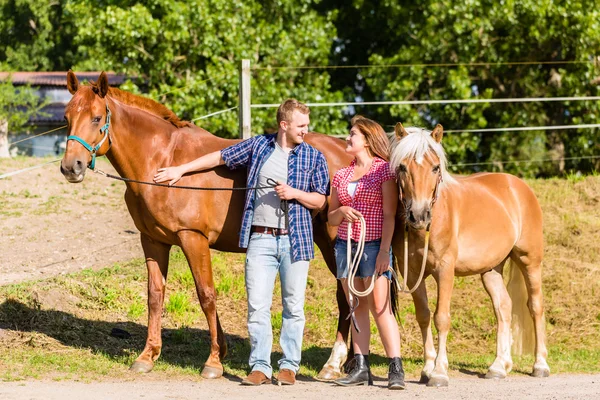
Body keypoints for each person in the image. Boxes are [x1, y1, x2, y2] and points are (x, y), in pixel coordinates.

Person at [153, 99, 330, 386]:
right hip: (260, 239)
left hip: (295, 240)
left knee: (293, 307)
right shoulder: (258, 146)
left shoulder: (313, 157)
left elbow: (320, 200)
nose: (306, 131)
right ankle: (260, 365)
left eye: (307, 125)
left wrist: (294, 193)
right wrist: (179, 170)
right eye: (301, 125)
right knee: (257, 305)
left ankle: (288, 366)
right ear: (284, 125)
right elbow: (219, 157)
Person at [327, 115, 404, 389]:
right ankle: (361, 366)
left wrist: (385, 251)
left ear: (367, 141)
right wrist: (341, 211)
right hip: (345, 247)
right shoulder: (341, 174)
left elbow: (389, 215)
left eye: (352, 135)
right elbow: (331, 218)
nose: (348, 138)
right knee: (355, 306)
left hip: (372, 246)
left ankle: (396, 366)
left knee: (381, 308)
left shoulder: (383, 171)